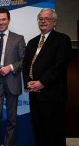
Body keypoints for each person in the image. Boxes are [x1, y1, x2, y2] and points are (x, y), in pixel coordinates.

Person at [22, 8, 71, 146]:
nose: (43, 21)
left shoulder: (62, 40)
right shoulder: (32, 42)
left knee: (54, 134)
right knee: (39, 133)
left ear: (54, 22)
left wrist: (42, 83)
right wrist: (29, 82)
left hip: (53, 96)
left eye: (47, 19)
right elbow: (26, 65)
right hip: (35, 96)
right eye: (40, 18)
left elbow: (59, 65)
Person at [0, 8, 26, 146]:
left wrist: (10, 67)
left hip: (12, 79)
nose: (1, 22)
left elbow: (24, 60)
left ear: (9, 20)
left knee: (12, 118)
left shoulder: (18, 38)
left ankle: (8, 144)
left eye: (3, 19)